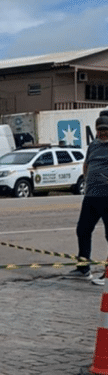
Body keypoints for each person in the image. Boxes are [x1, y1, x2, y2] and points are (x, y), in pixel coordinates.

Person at [71, 112, 108, 283]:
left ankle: (107, 274)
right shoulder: (93, 145)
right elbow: (86, 164)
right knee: (83, 230)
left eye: (106, 129)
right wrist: (88, 180)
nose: (103, 133)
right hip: (91, 196)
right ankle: (83, 268)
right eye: (100, 130)